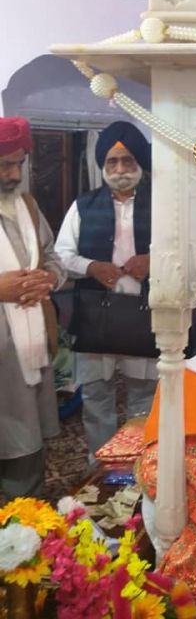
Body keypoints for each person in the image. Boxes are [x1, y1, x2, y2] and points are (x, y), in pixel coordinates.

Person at [56, 121, 157, 460]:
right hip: (96, 316)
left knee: (143, 397)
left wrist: (152, 261)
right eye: (112, 162)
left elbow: (186, 252)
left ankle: (138, 473)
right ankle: (99, 470)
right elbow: (60, 256)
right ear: (102, 166)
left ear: (140, 163)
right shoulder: (83, 206)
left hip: (144, 314)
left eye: (127, 161)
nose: (120, 169)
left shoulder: (163, 206)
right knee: (97, 397)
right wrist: (91, 267)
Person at [0, 116, 66, 498]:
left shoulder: (26, 203)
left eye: (18, 164)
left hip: (28, 354)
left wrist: (49, 279)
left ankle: (29, 536)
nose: (12, 174)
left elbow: (53, 255)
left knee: (28, 457)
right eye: (3, 165)